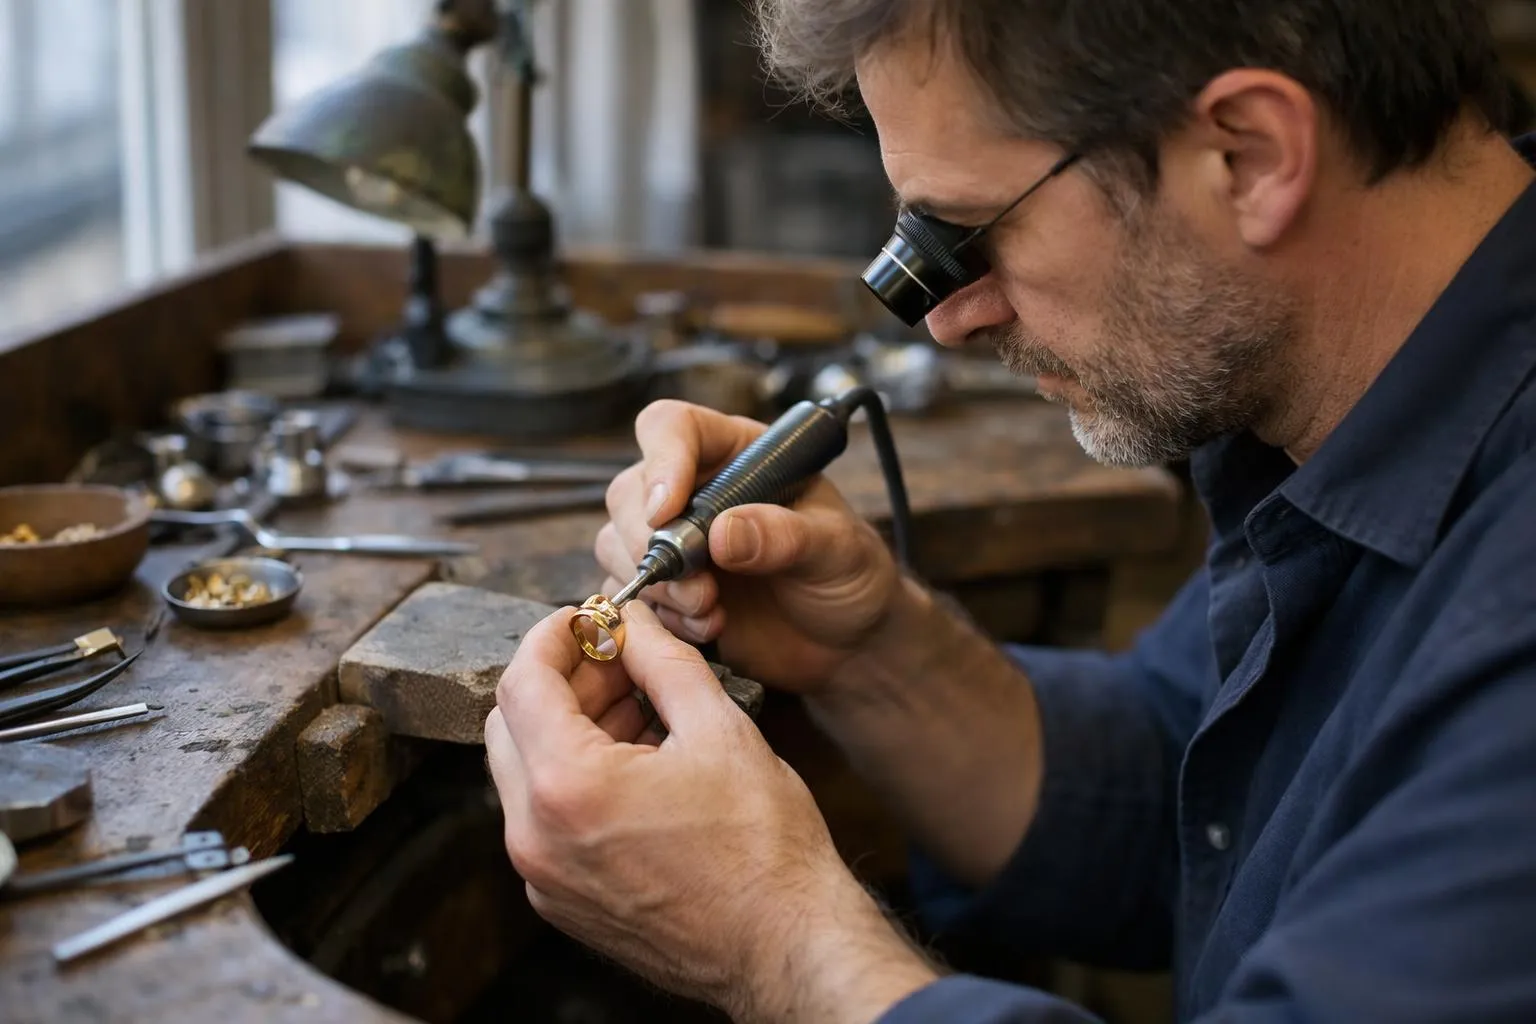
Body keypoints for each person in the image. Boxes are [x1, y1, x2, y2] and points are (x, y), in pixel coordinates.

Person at [483, 1, 1536, 1020]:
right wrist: (868, 654)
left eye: (966, 236)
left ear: (1248, 155)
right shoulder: (1349, 421)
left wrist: (772, 934)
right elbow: (1196, 801)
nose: (946, 318)